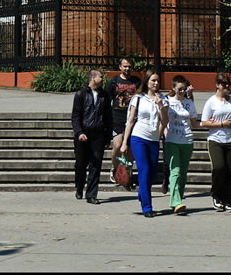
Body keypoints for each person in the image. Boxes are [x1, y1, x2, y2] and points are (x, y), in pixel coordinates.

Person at [119, 70, 169, 217]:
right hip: (139, 137)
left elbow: (165, 122)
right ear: (147, 82)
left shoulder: (163, 99)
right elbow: (130, 121)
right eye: (153, 80)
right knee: (144, 169)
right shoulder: (138, 98)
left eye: (158, 81)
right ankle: (147, 207)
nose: (156, 83)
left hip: (153, 139)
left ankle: (142, 193)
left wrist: (161, 106)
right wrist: (124, 142)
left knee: (152, 171)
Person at [200, 73, 231, 212]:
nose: (226, 86)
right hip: (216, 140)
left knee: (230, 171)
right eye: (223, 84)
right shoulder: (211, 102)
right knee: (219, 168)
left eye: (228, 84)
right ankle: (216, 195)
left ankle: (227, 199)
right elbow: (204, 122)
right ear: (217, 85)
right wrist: (221, 124)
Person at [71, 69, 113, 204]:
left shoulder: (105, 95)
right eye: (101, 77)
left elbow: (108, 117)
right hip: (83, 135)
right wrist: (79, 132)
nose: (103, 79)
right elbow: (76, 116)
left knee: (96, 165)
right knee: (81, 165)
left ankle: (91, 194)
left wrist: (108, 136)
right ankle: (79, 187)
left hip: (98, 134)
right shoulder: (81, 94)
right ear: (93, 78)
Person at [163, 74, 198, 215]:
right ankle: (176, 202)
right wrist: (163, 130)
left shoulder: (189, 103)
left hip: (187, 140)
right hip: (172, 140)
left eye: (184, 88)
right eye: (179, 89)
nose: (182, 91)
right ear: (173, 88)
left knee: (183, 173)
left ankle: (178, 199)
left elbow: (194, 123)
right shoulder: (168, 101)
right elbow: (162, 117)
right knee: (175, 171)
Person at [105, 58, 141, 187]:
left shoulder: (136, 81)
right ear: (120, 67)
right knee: (118, 145)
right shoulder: (114, 81)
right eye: (125, 66)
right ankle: (114, 168)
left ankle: (128, 173)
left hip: (133, 118)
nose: (127, 69)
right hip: (117, 118)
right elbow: (107, 98)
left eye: (129, 66)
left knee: (130, 149)